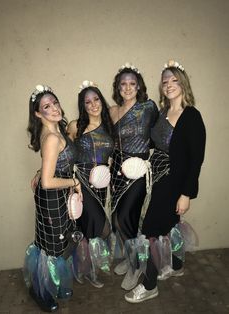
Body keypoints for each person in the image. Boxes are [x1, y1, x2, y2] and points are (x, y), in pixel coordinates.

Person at [125, 60, 206, 303]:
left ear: (183, 83)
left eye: (174, 80)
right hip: (157, 178)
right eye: (165, 82)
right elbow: (149, 143)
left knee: (150, 229)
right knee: (168, 223)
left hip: (175, 182)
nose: (169, 85)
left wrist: (186, 194)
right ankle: (177, 264)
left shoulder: (191, 116)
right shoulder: (161, 113)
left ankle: (149, 285)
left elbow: (196, 159)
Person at [23, 85, 82, 312]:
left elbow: (51, 167)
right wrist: (74, 183)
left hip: (59, 195)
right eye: (47, 106)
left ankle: (55, 284)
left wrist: (40, 171)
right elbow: (48, 182)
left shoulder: (58, 132)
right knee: (51, 247)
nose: (55, 108)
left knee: (61, 241)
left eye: (55, 102)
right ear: (38, 114)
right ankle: (39, 291)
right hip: (51, 197)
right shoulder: (51, 138)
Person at [109, 63, 159, 290]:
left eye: (132, 83)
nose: (127, 88)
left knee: (127, 218)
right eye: (123, 84)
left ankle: (137, 265)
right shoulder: (111, 110)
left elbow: (161, 135)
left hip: (138, 168)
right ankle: (131, 258)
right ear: (117, 87)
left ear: (138, 86)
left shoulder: (148, 107)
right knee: (117, 218)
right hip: (116, 169)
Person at [67, 81, 114, 288]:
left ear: (101, 101)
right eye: (88, 102)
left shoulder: (110, 126)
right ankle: (91, 271)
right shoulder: (75, 126)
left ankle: (83, 269)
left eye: (96, 99)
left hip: (103, 183)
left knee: (87, 228)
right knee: (96, 225)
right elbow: (64, 154)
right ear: (83, 105)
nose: (93, 104)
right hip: (81, 183)